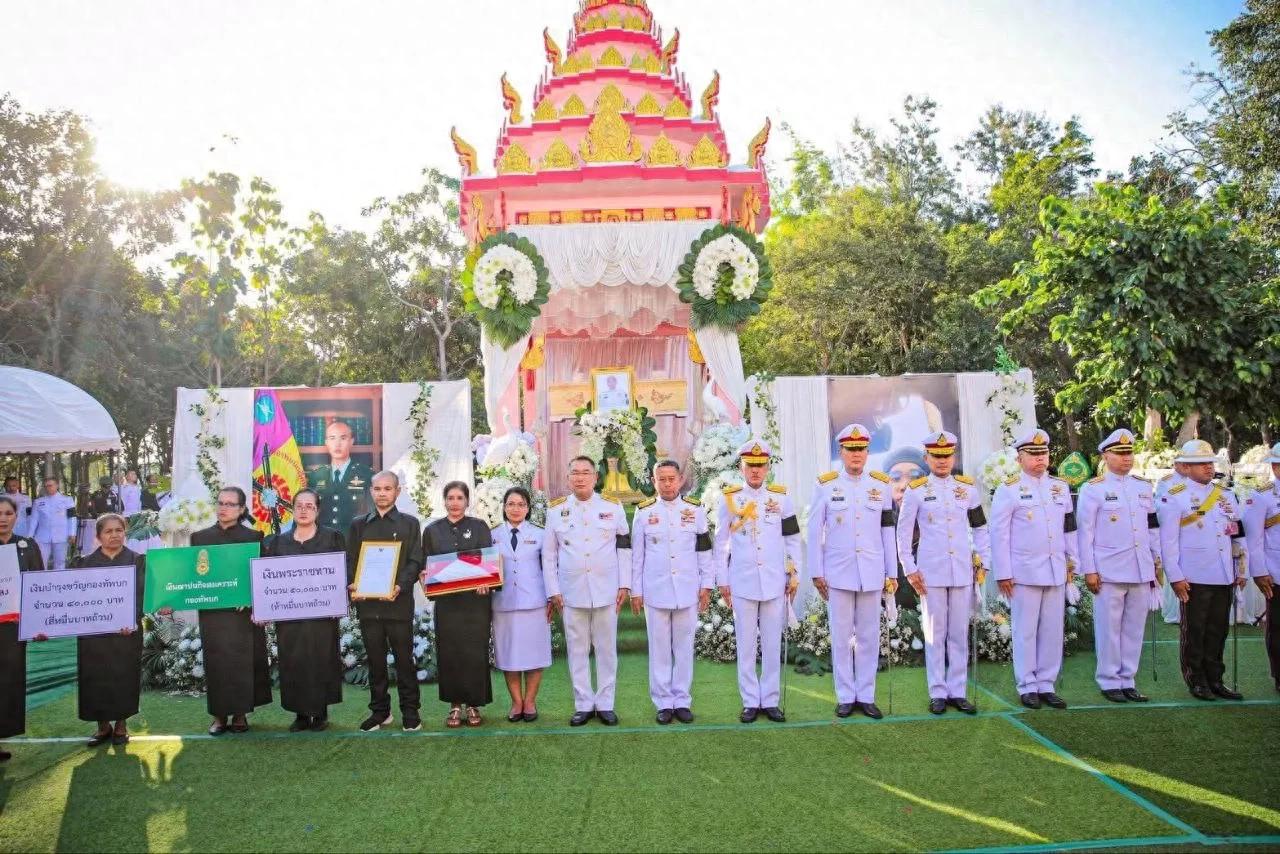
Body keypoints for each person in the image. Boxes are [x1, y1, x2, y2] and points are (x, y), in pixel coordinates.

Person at [896, 430, 991, 715]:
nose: (942, 460)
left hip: (962, 570)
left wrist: (983, 561)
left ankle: (958, 691)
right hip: (931, 572)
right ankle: (937, 691)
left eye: (947, 455)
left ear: (953, 457)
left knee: (959, 633)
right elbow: (903, 533)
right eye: (936, 456)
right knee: (935, 633)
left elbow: (980, 527)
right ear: (927, 458)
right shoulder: (916, 491)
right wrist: (909, 568)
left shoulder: (967, 489)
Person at [807, 423, 896, 720]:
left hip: (872, 571)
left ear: (867, 452)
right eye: (850, 449)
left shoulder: (881, 485)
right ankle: (845, 696)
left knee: (869, 637)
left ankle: (866, 695)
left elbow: (887, 531)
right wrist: (816, 571)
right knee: (842, 636)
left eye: (861, 449)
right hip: (838, 572)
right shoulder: (825, 485)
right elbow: (814, 530)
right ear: (841, 451)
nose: (856, 454)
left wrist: (892, 572)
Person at [989, 429, 1078, 710]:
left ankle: (1047, 684)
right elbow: (999, 534)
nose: (1040, 459)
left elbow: (1069, 528)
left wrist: (1073, 562)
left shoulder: (1060, 487)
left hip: (1055, 569)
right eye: (1033, 454)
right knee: (1025, 630)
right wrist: (1003, 572)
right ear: (1019, 458)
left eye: (1044, 453)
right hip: (1024, 572)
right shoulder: (1009, 489)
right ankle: (1027, 685)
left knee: (1052, 630)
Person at [715, 439, 800, 724]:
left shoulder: (781, 499)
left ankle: (771, 700)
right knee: (746, 644)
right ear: (741, 466)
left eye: (760, 465)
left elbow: (792, 538)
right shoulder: (729, 499)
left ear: (768, 467)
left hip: (774, 581)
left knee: (773, 643)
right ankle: (751, 701)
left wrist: (794, 573)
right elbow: (720, 543)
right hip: (742, 581)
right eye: (750, 465)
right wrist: (722, 579)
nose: (755, 470)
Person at [543, 455, 631, 726]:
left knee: (606, 649)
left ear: (595, 477)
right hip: (571, 591)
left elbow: (624, 548)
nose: (580, 477)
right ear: (568, 478)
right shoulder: (556, 510)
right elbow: (549, 554)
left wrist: (625, 583)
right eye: (575, 472)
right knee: (577, 649)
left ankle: (605, 704)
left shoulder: (612, 506)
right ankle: (583, 704)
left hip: (606, 589)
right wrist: (553, 590)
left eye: (585, 472)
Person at [1158, 439, 1248, 701]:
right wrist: (1175, 576)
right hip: (1194, 574)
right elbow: (1168, 542)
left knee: (1218, 630)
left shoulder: (1226, 495)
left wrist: (1242, 568)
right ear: (1186, 467)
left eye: (1210, 462)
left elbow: (1237, 533)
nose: (1208, 467)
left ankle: (1216, 679)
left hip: (1223, 573)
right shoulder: (1175, 496)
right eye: (1201, 463)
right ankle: (1196, 680)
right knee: (1195, 631)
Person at [1077, 429, 1160, 703]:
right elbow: (1085, 534)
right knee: (1109, 629)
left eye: (1129, 453)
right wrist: (1089, 569)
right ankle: (1109, 680)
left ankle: (1128, 679)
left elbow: (1152, 527)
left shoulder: (1143, 487)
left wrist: (1156, 560)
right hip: (1108, 570)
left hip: (1140, 568)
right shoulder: (1093, 489)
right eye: (1120, 453)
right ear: (1105, 456)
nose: (1127, 458)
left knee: (1134, 629)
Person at [631, 460, 713, 725]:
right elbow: (637, 556)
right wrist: (636, 590)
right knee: (659, 649)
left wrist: (706, 585)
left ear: (680, 480)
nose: (667, 484)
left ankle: (682, 700)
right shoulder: (644, 512)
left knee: (684, 647)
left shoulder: (695, 510)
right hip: (655, 590)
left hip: (687, 589)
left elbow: (704, 551)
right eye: (661, 479)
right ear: (653, 482)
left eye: (671, 479)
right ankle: (664, 702)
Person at [345, 471, 422, 732]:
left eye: (387, 489)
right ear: (370, 491)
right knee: (375, 661)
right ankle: (380, 712)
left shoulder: (410, 523)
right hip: (368, 606)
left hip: (398, 604)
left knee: (404, 661)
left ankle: (410, 712)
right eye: (377, 489)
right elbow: (351, 560)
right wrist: (352, 583)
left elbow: (415, 560)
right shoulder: (358, 525)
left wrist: (400, 585)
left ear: (397, 491)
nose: (382, 494)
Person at [190, 487, 270, 735]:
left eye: (230, 504)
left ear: (242, 509)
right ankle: (218, 716)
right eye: (220, 503)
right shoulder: (199, 538)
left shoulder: (254, 537)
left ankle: (240, 714)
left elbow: (262, 575)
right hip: (213, 612)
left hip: (241, 614)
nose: (223, 508)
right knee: (216, 662)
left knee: (241, 662)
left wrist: (251, 597)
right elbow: (192, 574)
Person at [264, 488, 345, 731]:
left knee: (321, 659)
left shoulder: (332, 538)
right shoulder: (278, 542)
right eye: (299, 505)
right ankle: (299, 714)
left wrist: (340, 598)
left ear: (317, 511)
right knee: (293, 659)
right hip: (290, 615)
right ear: (292, 509)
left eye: (309, 506)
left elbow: (345, 569)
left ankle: (320, 713)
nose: (303, 510)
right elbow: (268, 577)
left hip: (323, 615)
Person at [422, 482, 494, 728]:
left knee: (475, 652)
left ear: (467, 501)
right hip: (447, 604)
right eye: (450, 498)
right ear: (444, 501)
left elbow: (488, 561)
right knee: (450, 652)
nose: (454, 502)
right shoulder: (431, 531)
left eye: (459, 498)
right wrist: (426, 581)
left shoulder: (480, 527)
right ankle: (454, 705)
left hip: (475, 604)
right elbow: (426, 566)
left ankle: (473, 704)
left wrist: (487, 582)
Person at [71, 514, 144, 746]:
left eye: (118, 530)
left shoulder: (138, 560)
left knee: (124, 675)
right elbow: (72, 598)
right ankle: (102, 726)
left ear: (125, 533)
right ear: (98, 536)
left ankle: (121, 725)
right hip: (93, 633)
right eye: (108, 531)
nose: (114, 535)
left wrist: (133, 619)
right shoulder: (83, 563)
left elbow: (143, 594)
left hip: (127, 633)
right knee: (95, 676)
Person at [491, 486, 551, 723]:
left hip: (534, 602)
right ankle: (517, 702)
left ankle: (530, 701)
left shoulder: (541, 534)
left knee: (535, 655)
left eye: (521, 504)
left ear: (528, 508)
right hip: (503, 603)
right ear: (504, 507)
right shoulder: (492, 535)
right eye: (511, 504)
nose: (515, 509)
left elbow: (550, 568)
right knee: (509, 655)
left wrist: (552, 597)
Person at [0, 495, 44, 763]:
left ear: (16, 517)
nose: (2, 518)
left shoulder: (27, 546)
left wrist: (37, 623)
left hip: (14, 629)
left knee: (8, 681)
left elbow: (38, 586)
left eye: (8, 513)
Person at [1242, 442, 1280, 693]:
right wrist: (1259, 571)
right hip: (1276, 572)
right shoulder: (1262, 496)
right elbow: (1253, 539)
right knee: (1278, 627)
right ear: (1275, 468)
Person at [310, 420, 374, 533]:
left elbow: (372, 515)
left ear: (351, 441)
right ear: (326, 442)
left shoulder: (366, 475)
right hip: (322, 540)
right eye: (332, 438)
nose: (337, 444)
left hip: (354, 539)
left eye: (343, 438)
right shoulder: (316, 476)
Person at [30, 476, 77, 569]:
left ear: (57, 485)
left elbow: (72, 517)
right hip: (42, 536)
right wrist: (29, 536)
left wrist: (72, 533)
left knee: (60, 562)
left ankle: (59, 578)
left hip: (61, 535)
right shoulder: (38, 502)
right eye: (46, 486)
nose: (48, 488)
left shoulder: (67, 500)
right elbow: (33, 520)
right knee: (41, 561)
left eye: (50, 485)